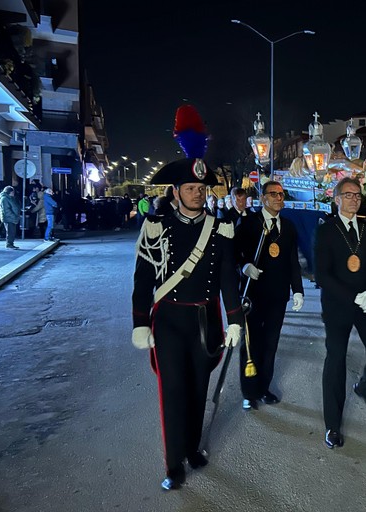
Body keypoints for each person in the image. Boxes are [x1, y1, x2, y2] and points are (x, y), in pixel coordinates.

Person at [131, 105, 244, 491]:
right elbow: (143, 277)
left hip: (205, 319)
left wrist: (235, 321)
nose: (198, 193)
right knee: (173, 391)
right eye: (191, 189)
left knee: (198, 388)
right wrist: (140, 323)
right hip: (169, 323)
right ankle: (173, 460)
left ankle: (194, 447)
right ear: (175, 191)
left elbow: (228, 276)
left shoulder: (220, 227)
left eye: (201, 188)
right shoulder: (157, 226)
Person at [314, 177, 366, 449]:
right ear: (337, 199)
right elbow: (322, 273)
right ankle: (332, 425)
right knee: (336, 361)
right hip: (338, 305)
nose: (354, 199)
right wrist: (352, 296)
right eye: (348, 195)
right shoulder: (326, 230)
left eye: (357, 195)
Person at [235, 180, 304, 410]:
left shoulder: (289, 227)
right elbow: (235, 253)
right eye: (273, 194)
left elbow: (293, 261)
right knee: (251, 343)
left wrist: (298, 290)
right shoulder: (248, 223)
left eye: (282, 194)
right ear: (263, 198)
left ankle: (264, 388)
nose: (278, 198)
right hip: (254, 295)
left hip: (278, 295)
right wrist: (244, 266)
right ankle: (249, 392)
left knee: (271, 343)